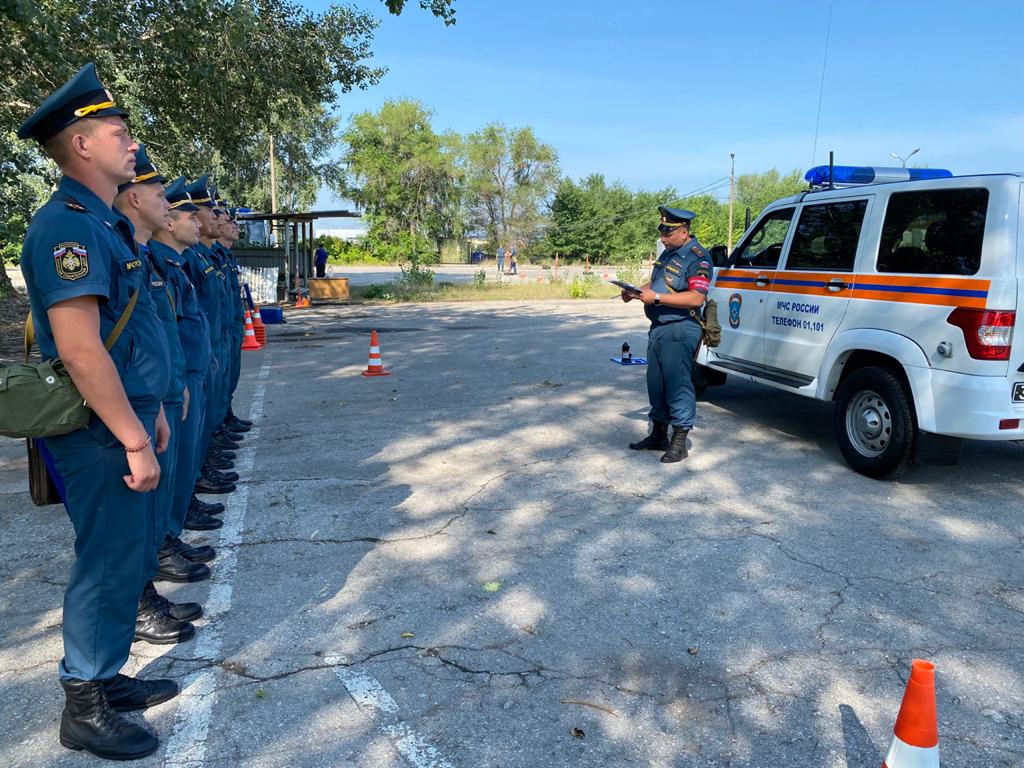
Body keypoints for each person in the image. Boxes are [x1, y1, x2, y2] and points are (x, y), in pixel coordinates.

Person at [16, 62, 178, 760]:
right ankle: (83, 700)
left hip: (123, 419)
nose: (132, 143)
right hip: (96, 430)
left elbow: (129, 335)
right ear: (81, 146)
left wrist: (152, 413)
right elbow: (82, 351)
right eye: (118, 131)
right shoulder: (66, 228)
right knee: (106, 563)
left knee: (122, 556)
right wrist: (134, 440)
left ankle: (106, 678)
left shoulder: (104, 225)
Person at [113, 146, 207, 649]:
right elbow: (87, 347)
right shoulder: (93, 240)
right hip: (127, 403)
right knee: (120, 531)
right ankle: (93, 677)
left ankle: (148, 579)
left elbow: (163, 330)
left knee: (153, 502)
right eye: (160, 196)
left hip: (158, 392)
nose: (171, 208)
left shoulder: (134, 252)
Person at [623, 205, 712, 463]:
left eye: (668, 233)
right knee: (657, 383)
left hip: (681, 328)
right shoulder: (668, 255)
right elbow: (656, 282)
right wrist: (634, 291)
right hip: (659, 329)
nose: (663, 238)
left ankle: (679, 440)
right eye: (662, 232)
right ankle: (658, 434)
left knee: (678, 383)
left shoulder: (698, 258)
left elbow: (696, 298)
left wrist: (657, 298)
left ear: (684, 232)